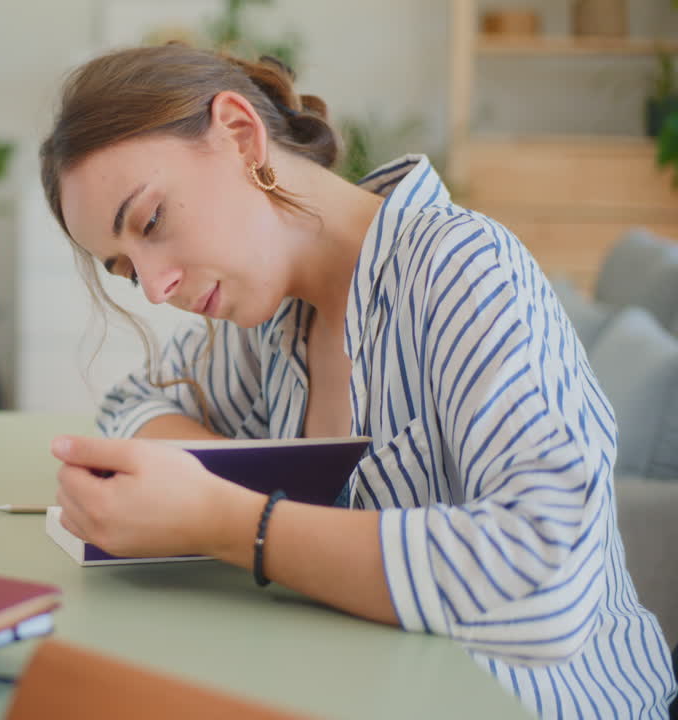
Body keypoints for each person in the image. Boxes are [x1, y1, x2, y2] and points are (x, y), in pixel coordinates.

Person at [39, 43, 676, 718]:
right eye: (126, 270)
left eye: (152, 221)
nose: (154, 287)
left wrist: (224, 520)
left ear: (240, 135)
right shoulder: (268, 317)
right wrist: (202, 489)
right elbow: (134, 402)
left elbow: (548, 577)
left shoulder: (461, 268)